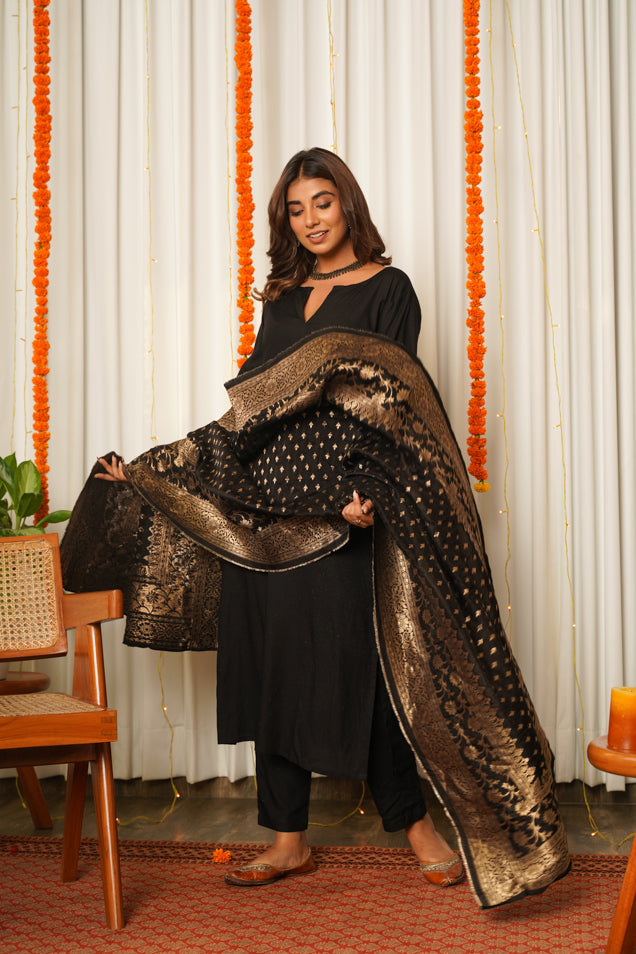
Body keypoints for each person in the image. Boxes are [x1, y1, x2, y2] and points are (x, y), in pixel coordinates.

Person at [84, 147, 570, 908]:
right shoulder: (281, 298)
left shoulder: (388, 289)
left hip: (346, 511)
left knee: (369, 667)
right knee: (270, 667)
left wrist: (356, 492)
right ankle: (287, 839)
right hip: (267, 516)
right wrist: (159, 467)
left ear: (348, 204)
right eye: (296, 209)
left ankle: (414, 826)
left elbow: (390, 404)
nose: (311, 219)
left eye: (322, 202)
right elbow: (251, 411)